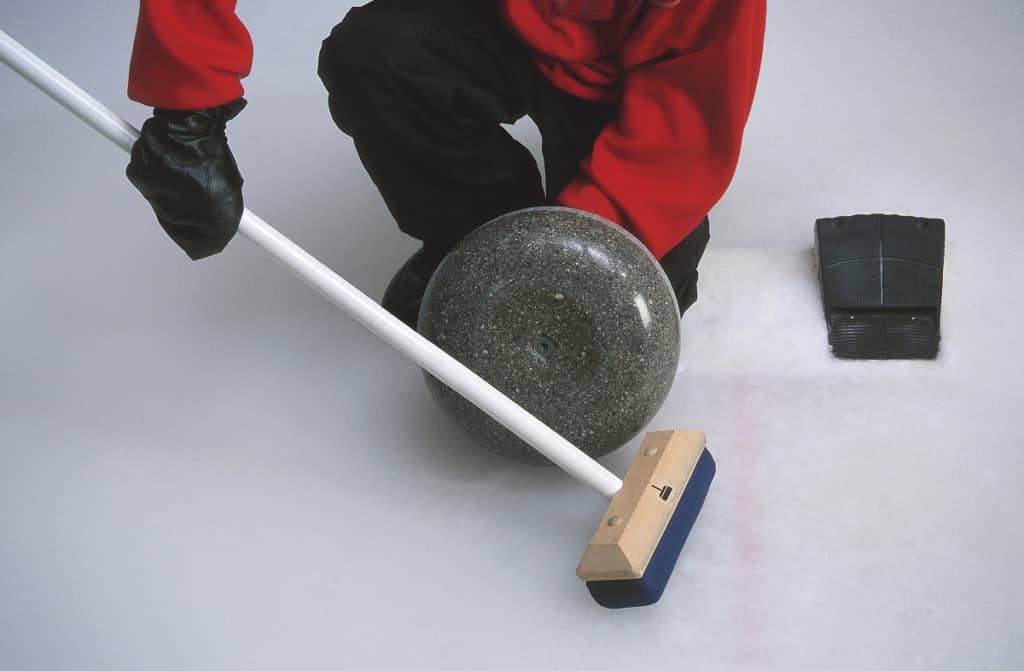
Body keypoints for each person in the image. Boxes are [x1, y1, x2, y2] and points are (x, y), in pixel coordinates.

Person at [125, 0, 766, 327]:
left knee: (639, 294)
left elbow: (688, 111)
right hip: (493, 14)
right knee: (376, 58)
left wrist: (560, 257)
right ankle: (473, 237)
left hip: (636, 64)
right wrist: (187, 108)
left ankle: (520, 257)